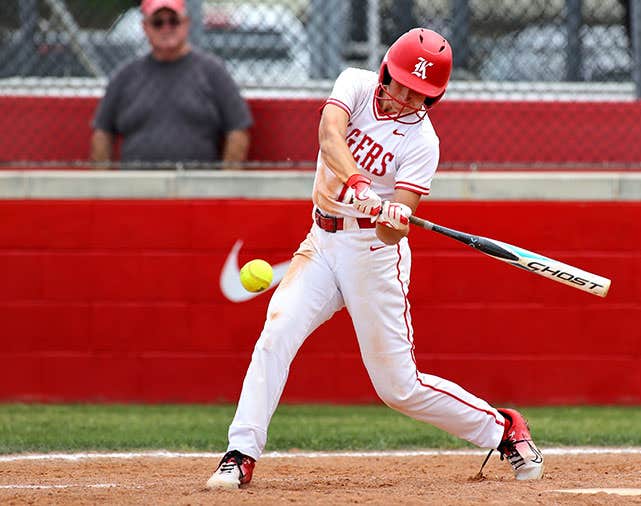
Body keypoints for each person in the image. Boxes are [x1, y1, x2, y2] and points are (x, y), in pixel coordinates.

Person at [205, 28, 544, 489]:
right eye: (401, 82)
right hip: (321, 242)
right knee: (277, 330)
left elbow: (390, 231)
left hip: (373, 256)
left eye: (419, 92)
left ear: (434, 97)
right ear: (385, 71)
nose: (404, 97)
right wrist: (362, 187)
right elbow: (329, 137)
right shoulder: (356, 85)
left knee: (398, 388)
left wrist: (394, 215)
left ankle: (502, 429)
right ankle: (240, 453)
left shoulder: (424, 144)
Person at [90, 0, 252, 169]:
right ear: (145, 27)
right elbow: (102, 130)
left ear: (186, 24)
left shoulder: (213, 72)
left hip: (195, 187)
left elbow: (238, 128)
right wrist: (104, 183)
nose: (166, 28)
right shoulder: (125, 76)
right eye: (158, 22)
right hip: (137, 188)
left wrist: (224, 182)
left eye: (173, 21)